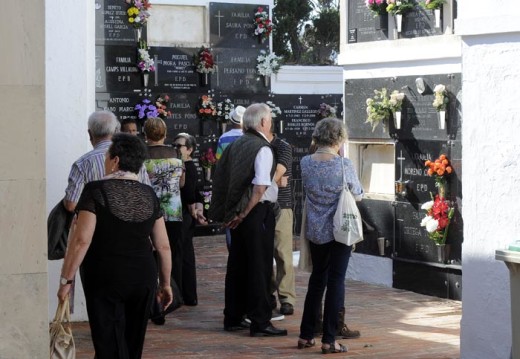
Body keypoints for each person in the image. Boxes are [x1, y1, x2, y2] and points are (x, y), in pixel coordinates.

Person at [57, 133, 173, 359]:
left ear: (115, 160)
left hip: (104, 275)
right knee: (133, 342)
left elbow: (81, 241)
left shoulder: (95, 191)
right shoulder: (149, 194)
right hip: (143, 276)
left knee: (108, 341)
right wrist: (165, 283)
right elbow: (163, 246)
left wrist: (66, 280)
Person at [209, 103, 287, 337]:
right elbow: (260, 186)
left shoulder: (236, 144)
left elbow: (222, 179)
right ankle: (260, 321)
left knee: (238, 266)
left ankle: (233, 316)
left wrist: (230, 213)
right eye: (270, 118)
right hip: (255, 213)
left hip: (237, 213)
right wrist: (244, 213)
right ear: (263, 122)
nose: (271, 122)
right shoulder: (262, 148)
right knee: (259, 267)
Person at [297, 118, 363, 354]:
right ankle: (329, 339)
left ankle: (305, 335)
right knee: (336, 281)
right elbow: (358, 192)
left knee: (317, 280)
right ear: (339, 138)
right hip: (340, 230)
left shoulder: (305, 162)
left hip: (316, 230)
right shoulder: (344, 165)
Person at [63, 110, 150, 213]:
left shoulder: (82, 164)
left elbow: (71, 204)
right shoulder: (136, 161)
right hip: (133, 224)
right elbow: (148, 196)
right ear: (116, 131)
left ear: (90, 134)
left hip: (94, 226)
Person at [143, 117, 185, 325]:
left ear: (145, 135)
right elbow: (182, 182)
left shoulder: (142, 156)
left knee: (151, 257)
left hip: (149, 212)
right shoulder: (176, 155)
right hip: (173, 211)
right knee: (169, 254)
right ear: (165, 134)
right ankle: (169, 297)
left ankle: (154, 304)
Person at [173, 132, 207, 306]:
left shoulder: (187, 166)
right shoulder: (183, 165)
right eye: (175, 145)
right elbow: (197, 190)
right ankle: (188, 294)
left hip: (184, 214)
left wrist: (193, 207)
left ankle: (180, 294)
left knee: (181, 254)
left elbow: (188, 191)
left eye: (179, 146)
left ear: (190, 149)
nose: (176, 148)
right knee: (184, 253)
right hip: (185, 213)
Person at [270, 134, 296, 316]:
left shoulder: (283, 146)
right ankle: (268, 294)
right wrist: (275, 182)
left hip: (282, 205)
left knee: (283, 253)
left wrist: (269, 180)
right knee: (263, 254)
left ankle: (286, 298)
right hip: (260, 204)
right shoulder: (256, 144)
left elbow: (280, 171)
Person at [215, 105, 245, 250]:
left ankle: (232, 249)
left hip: (228, 184)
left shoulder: (223, 138)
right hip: (245, 184)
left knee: (230, 219)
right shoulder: (249, 138)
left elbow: (219, 162)